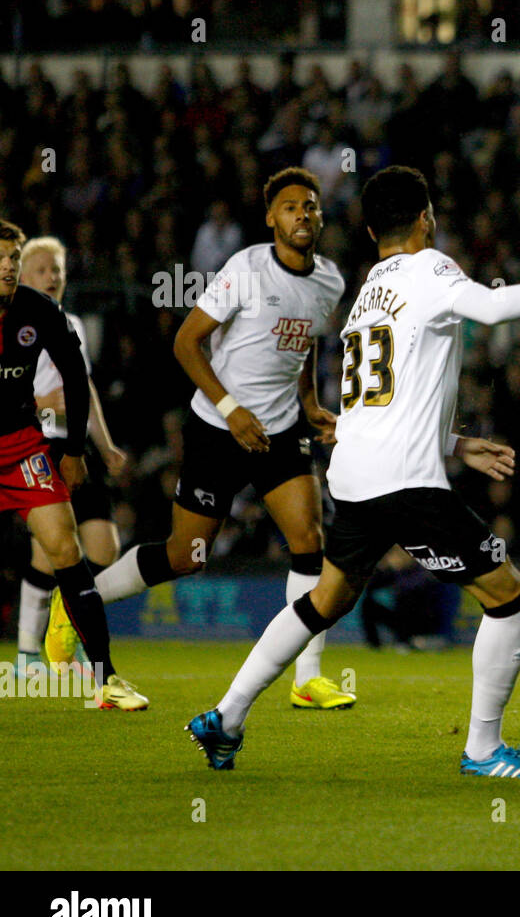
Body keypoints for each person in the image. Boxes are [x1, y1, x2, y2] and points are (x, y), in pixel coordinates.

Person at [185, 165, 520, 777]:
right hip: (404, 482)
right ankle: (483, 750)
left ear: (371, 230)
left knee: (325, 600)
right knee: (512, 600)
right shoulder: (432, 270)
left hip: (354, 474)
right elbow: (496, 307)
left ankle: (226, 717)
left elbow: (384, 402)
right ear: (427, 217)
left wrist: (454, 442)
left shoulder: (368, 289)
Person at [49, 168, 354, 709]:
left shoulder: (329, 280)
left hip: (280, 431)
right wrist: (231, 409)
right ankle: (78, 600)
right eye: (289, 207)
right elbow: (188, 342)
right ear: (271, 218)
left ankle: (307, 678)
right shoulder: (246, 269)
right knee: (188, 556)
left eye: (310, 206)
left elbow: (304, 343)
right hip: (218, 427)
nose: (302, 214)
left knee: (309, 541)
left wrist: (307, 403)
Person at [0, 219, 146, 709]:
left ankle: (105, 678)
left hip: (22, 446)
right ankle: (27, 652)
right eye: (1, 259)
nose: (8, 267)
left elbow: (78, 382)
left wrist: (76, 450)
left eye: (13, 259)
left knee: (68, 550)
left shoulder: (38, 312)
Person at [14, 236, 127, 681]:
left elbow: (84, 390)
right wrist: (42, 405)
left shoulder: (71, 321)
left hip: (74, 445)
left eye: (57, 268)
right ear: (21, 277)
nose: (52, 276)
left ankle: (63, 618)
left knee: (103, 547)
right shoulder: (13, 323)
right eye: (42, 269)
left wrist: (105, 444)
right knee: (48, 551)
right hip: (35, 443)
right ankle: (27, 655)